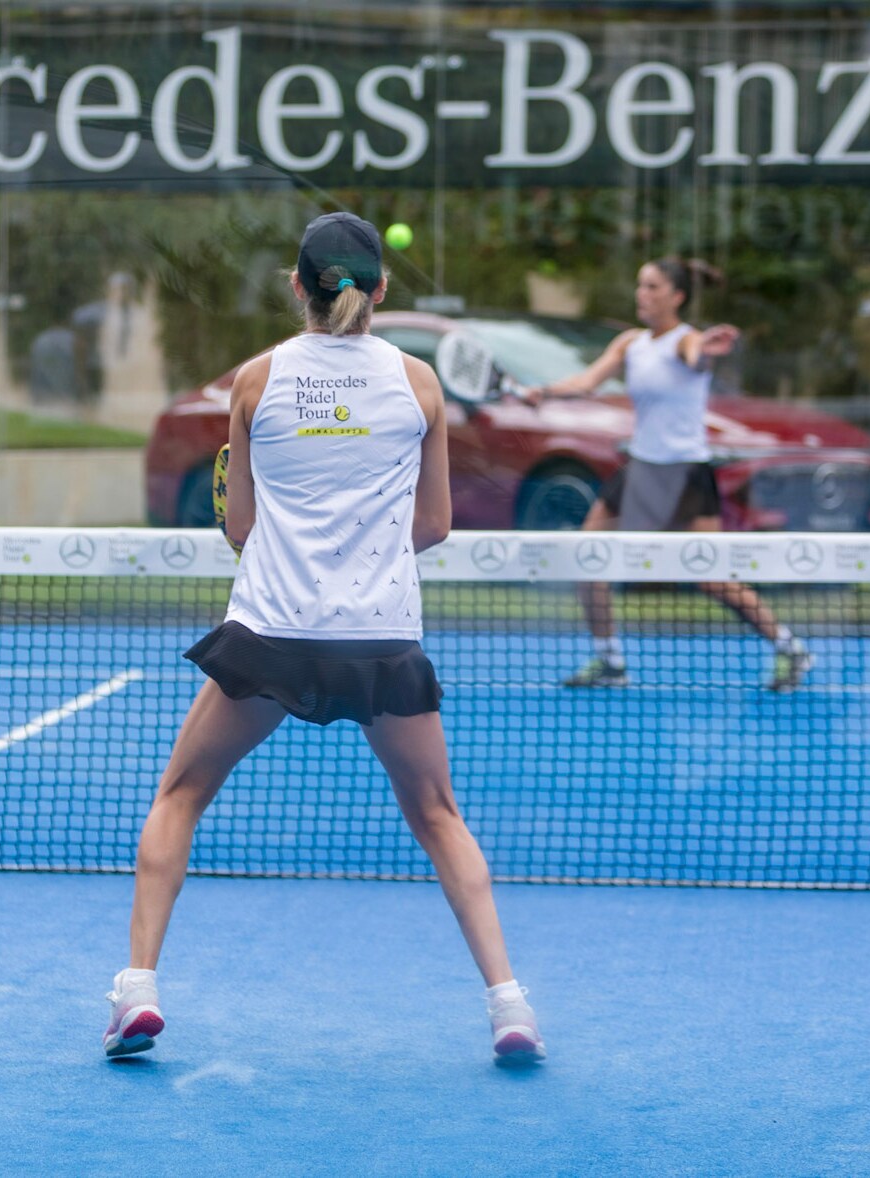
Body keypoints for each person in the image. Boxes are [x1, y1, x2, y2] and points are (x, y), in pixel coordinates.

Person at [101, 213, 545, 1068]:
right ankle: (509, 1006)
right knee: (440, 817)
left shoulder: (255, 381)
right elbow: (437, 524)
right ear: (380, 290)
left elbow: (238, 526)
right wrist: (363, 558)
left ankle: (137, 992)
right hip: (380, 639)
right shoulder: (419, 384)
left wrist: (299, 553)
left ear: (296, 288)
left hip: (270, 635)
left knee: (178, 798)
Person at [530, 258, 813, 692]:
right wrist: (543, 391)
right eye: (640, 285)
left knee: (713, 579)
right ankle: (610, 661)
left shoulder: (688, 341)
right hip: (641, 469)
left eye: (653, 286)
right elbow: (587, 381)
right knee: (588, 559)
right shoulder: (630, 343)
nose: (642, 294)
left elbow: (698, 359)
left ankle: (790, 648)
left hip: (685, 475)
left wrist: (710, 349)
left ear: (676, 296)